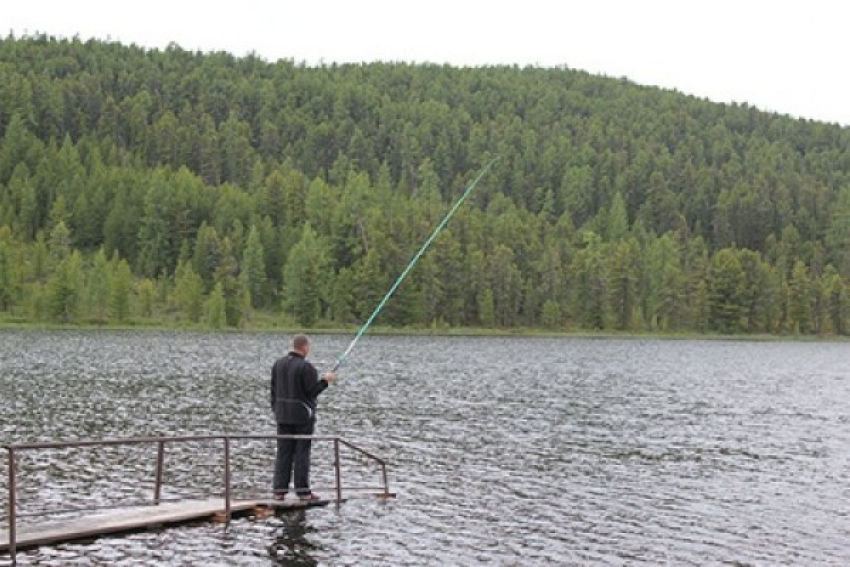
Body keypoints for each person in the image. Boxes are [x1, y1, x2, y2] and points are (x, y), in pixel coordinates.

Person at [271, 334, 335, 501]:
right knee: (301, 453)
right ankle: (303, 491)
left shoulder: (278, 364)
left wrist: (276, 410)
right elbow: (312, 392)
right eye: (309, 347)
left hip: (282, 415)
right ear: (305, 347)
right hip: (302, 417)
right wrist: (325, 381)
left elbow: (273, 391)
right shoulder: (307, 368)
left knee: (284, 452)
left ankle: (279, 490)